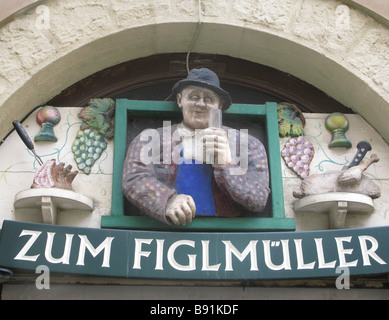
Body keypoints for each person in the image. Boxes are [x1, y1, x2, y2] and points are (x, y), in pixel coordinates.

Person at [122, 68, 270, 226]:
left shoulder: (249, 144)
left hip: (227, 233)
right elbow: (134, 178)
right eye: (194, 97)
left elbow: (259, 198)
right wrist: (167, 200)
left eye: (209, 99)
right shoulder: (151, 139)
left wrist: (226, 165)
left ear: (219, 106)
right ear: (180, 100)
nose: (201, 103)